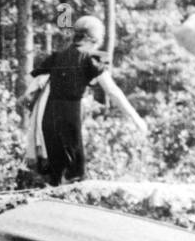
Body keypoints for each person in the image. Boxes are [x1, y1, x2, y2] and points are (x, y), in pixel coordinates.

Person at [30, 15, 146, 186]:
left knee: (56, 175)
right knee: (75, 174)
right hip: (69, 116)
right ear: (95, 38)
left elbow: (34, 83)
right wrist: (135, 118)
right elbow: (113, 91)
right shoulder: (89, 59)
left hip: (48, 115)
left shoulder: (57, 56)